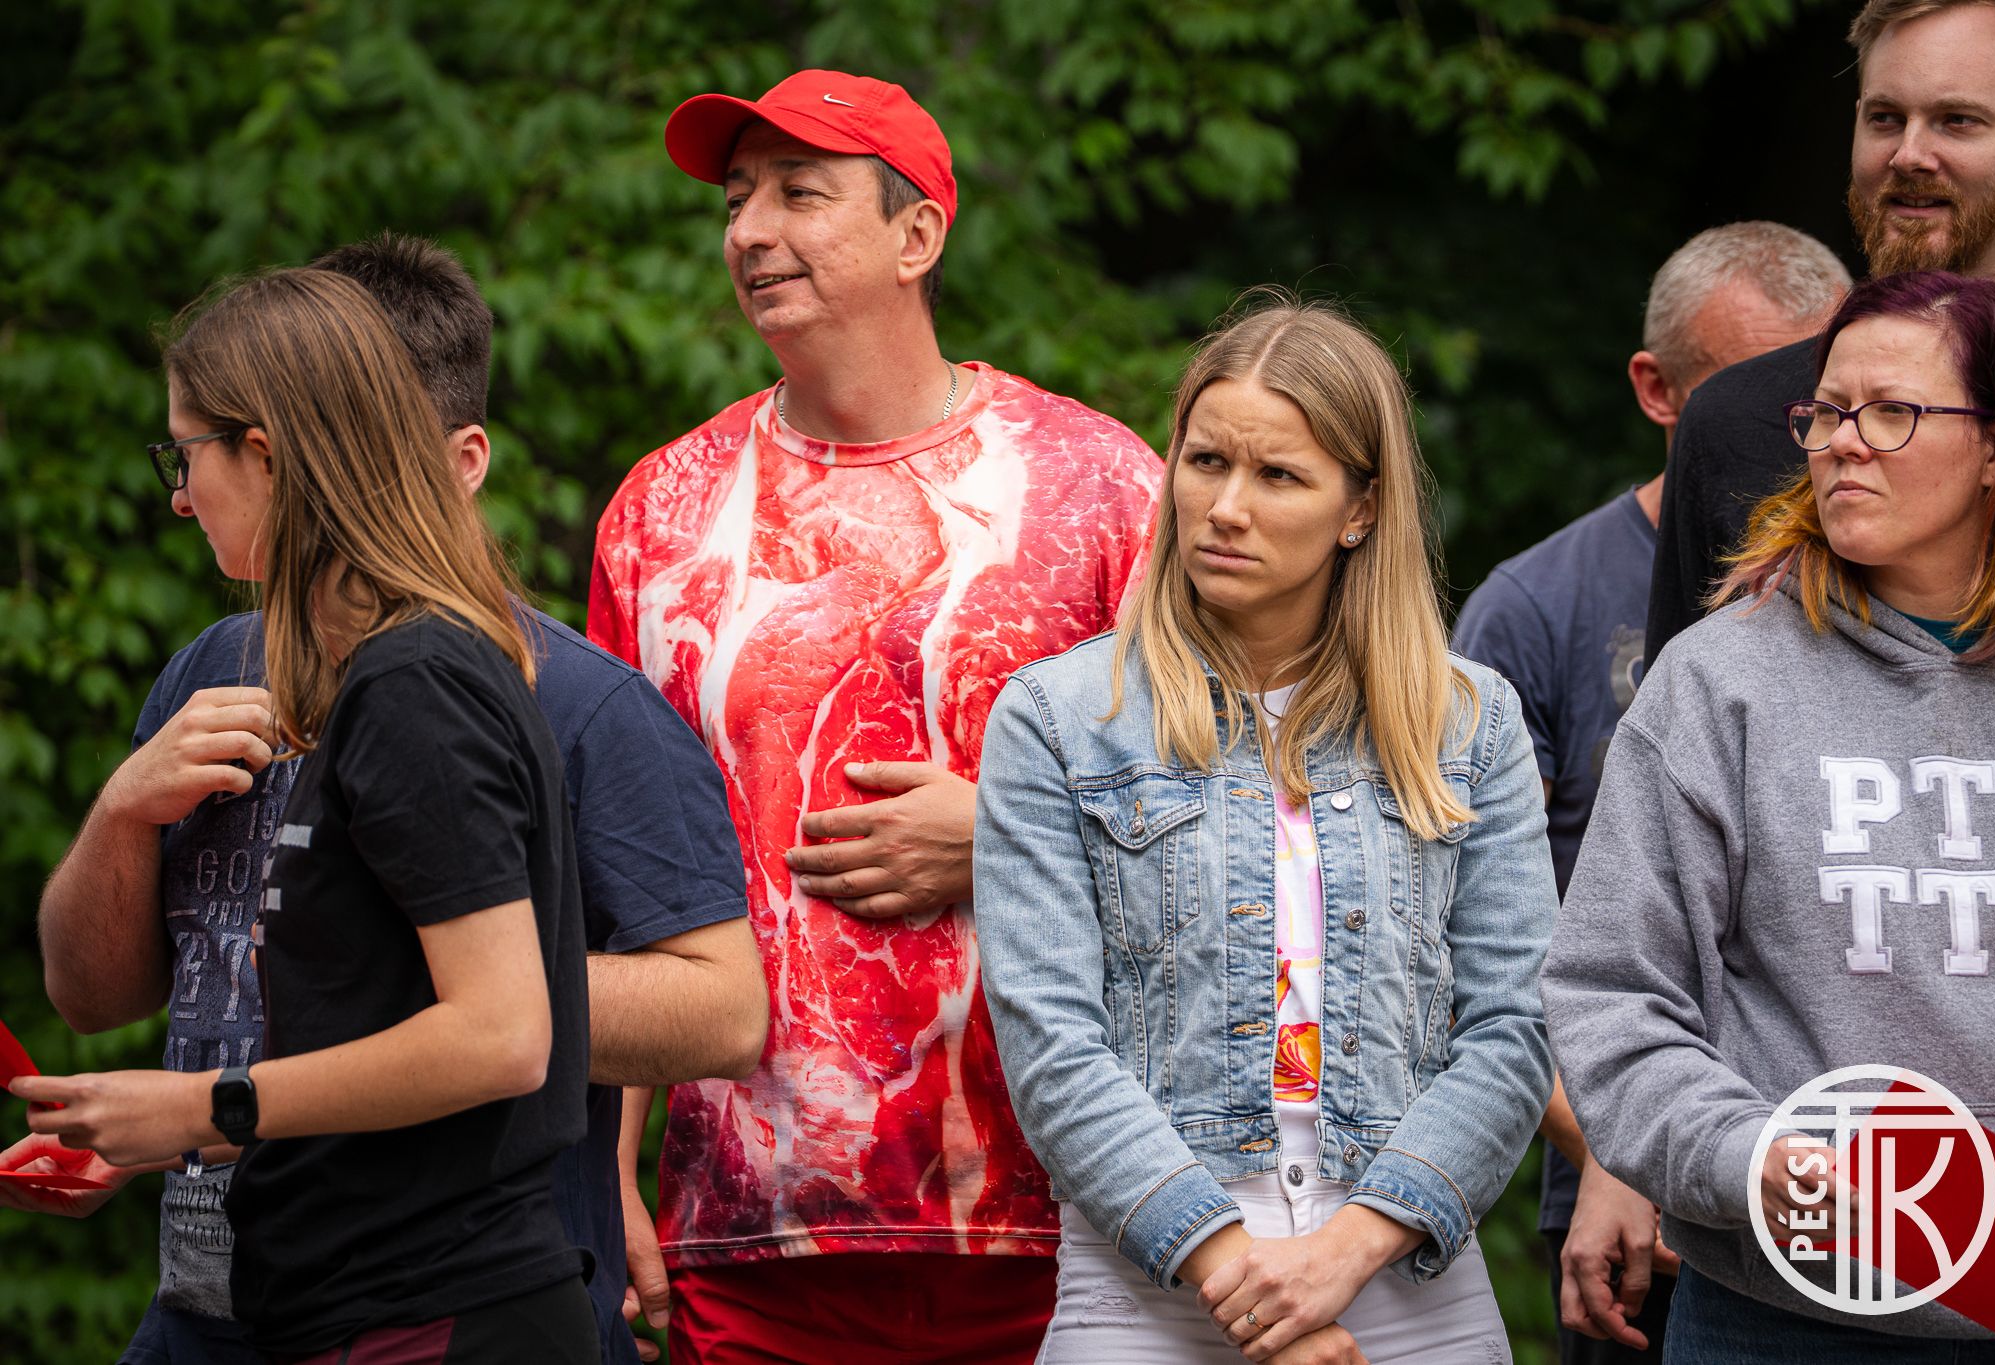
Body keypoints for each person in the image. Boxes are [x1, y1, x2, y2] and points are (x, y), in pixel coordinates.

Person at [10, 236, 765, 1365]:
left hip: (422, 1302)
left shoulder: (446, 684)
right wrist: (124, 811)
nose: (176, 497)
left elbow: (541, 1026)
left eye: (186, 456)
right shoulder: (235, 670)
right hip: (245, 1298)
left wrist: (213, 1100)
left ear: (276, 452)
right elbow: (96, 997)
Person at [588, 68, 1162, 1364]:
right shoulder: (660, 514)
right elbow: (614, 877)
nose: (750, 231)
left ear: (918, 236)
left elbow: (1233, 812)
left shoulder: (1100, 485)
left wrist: (1011, 832)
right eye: (736, 201)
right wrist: (604, 1168)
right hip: (750, 1222)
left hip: (1072, 1212)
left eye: (799, 194)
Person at [973, 296, 1555, 1364]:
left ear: (1359, 509)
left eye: (1277, 475)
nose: (1225, 507)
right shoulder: (1062, 718)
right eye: (1205, 462)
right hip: (1151, 1278)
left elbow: (1513, 1029)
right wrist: (1240, 1277)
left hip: (1406, 1274)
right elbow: (1051, 1046)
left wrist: (1346, 1249)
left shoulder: (1468, 722)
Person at [1543, 271, 1995, 1361]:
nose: (1841, 443)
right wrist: (1750, 1155)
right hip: (1781, 1320)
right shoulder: (1714, 684)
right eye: (1826, 411)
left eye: (1892, 411)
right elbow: (1612, 996)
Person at [1451, 222, 1848, 1361]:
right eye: (1760, 392)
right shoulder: (1535, 606)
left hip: (1850, 1167)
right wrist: (1612, 1152)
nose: (1808, 430)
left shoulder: (1909, 594)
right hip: (1618, 1172)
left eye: (1828, 392)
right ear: (1657, 390)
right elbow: (1465, 927)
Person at [1644, 0, 1995, 665]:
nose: (1909, 155)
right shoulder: (1735, 418)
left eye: (1958, 121)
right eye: (1884, 118)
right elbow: (1688, 706)